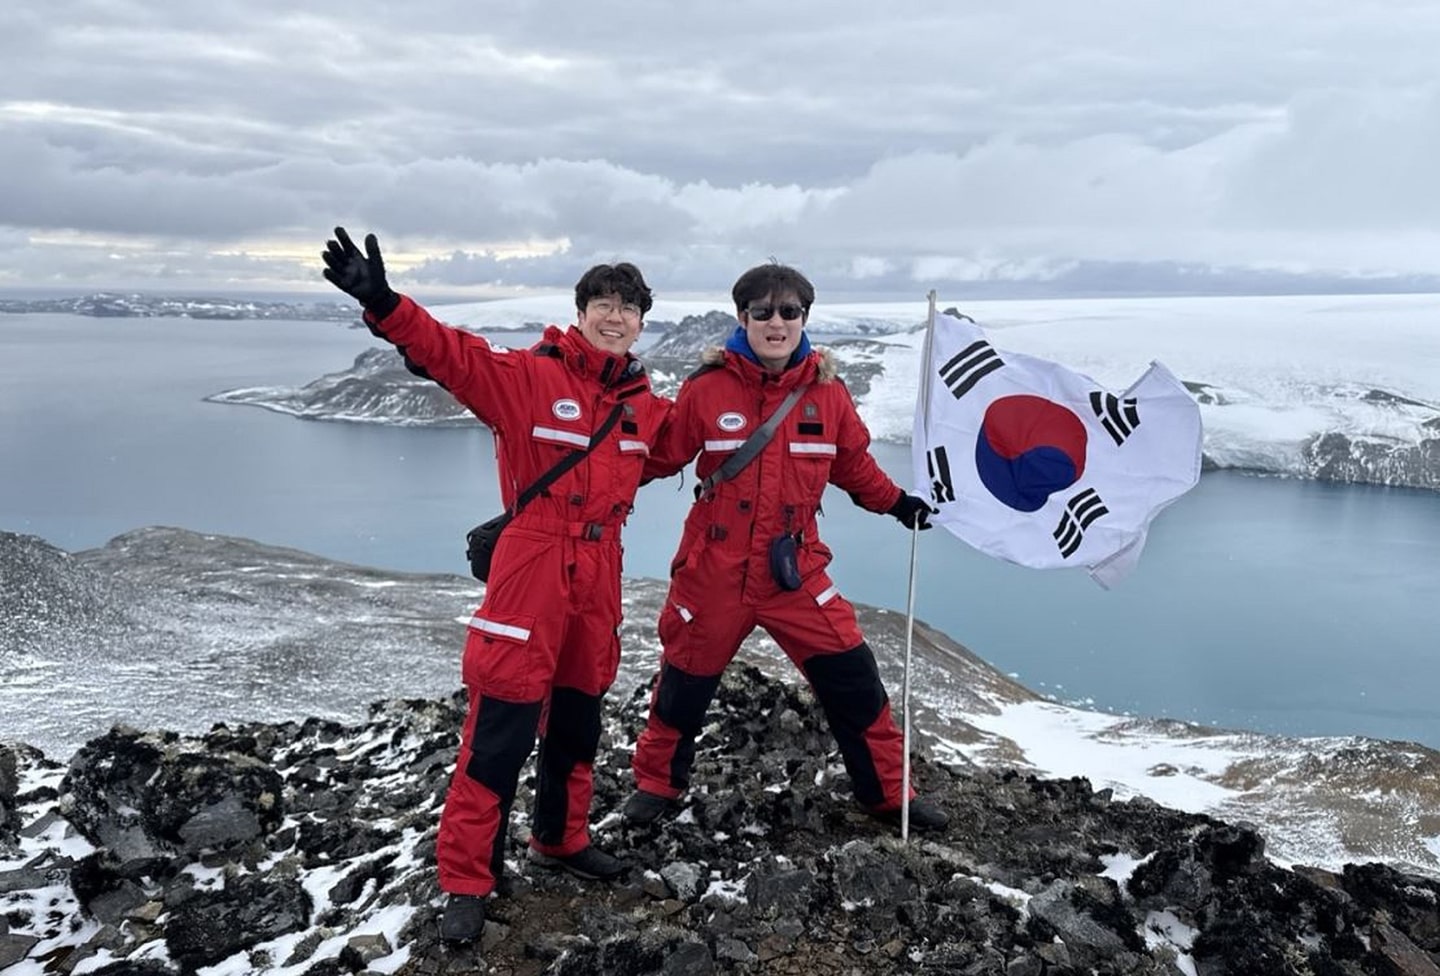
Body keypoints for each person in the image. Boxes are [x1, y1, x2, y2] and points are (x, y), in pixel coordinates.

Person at [321, 228, 671, 945]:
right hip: (532, 573)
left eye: (627, 308)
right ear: (579, 313)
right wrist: (385, 303)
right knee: (498, 736)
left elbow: (712, 435)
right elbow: (452, 356)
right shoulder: (527, 378)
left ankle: (560, 839)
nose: (614, 316)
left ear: (641, 323)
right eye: (602, 303)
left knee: (577, 725)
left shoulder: (645, 408)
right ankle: (467, 880)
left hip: (599, 577)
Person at [622, 262, 948, 832]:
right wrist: (583, 493)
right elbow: (659, 456)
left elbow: (855, 467)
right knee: (684, 679)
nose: (777, 322)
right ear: (743, 318)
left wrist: (899, 505)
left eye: (789, 311)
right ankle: (656, 784)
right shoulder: (708, 388)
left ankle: (888, 794)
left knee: (854, 679)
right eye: (763, 312)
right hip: (715, 566)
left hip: (794, 567)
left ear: (804, 319)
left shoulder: (828, 394)